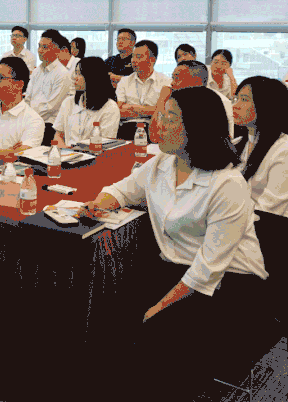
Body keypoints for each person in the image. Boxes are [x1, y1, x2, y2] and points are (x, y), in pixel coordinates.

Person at [78, 87, 268, 398]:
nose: (159, 125)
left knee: (154, 335)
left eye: (170, 119)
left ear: (197, 127)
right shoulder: (162, 164)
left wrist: (158, 307)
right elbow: (122, 190)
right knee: (105, 317)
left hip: (229, 281)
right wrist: (100, 204)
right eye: (162, 116)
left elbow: (207, 270)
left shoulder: (227, 184)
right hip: (176, 265)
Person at [233, 76, 288, 233]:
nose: (235, 106)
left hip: (282, 232)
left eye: (244, 99)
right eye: (236, 99)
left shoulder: (287, 153)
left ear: (266, 105)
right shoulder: (240, 143)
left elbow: (267, 210)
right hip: (247, 224)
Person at [153, 60, 233, 138]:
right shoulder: (173, 100)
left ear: (196, 81)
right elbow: (155, 136)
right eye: (172, 78)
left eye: (177, 78)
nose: (172, 83)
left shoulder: (221, 102)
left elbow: (228, 139)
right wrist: (162, 100)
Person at [52, 57, 120, 144]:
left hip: (93, 151)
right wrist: (66, 150)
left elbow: (105, 144)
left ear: (92, 76)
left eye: (79, 74)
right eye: (75, 73)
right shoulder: (68, 102)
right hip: (67, 151)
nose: (75, 77)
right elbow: (58, 136)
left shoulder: (110, 107)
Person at [27, 30, 71, 145]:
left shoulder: (63, 74)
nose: (40, 50)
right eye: (39, 46)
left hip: (49, 125)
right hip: (30, 120)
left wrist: (30, 118)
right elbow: (27, 98)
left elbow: (50, 107)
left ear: (56, 50)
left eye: (45, 47)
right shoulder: (36, 71)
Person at [116, 40, 170, 119]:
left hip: (154, 125)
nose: (133, 60)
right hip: (128, 124)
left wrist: (132, 107)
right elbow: (119, 111)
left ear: (152, 60)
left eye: (138, 57)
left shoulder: (166, 81)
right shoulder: (124, 81)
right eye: (133, 56)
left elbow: (162, 111)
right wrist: (150, 110)